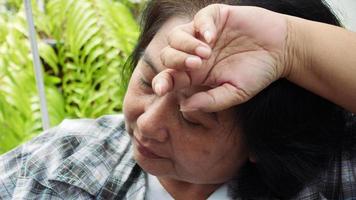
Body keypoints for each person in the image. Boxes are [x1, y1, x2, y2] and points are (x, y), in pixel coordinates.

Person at [0, 0, 355, 199]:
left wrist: (290, 44)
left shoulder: (328, 179)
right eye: (147, 81)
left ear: (264, 141)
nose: (148, 124)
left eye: (192, 117)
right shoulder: (58, 168)